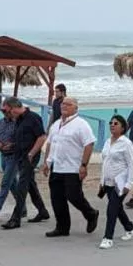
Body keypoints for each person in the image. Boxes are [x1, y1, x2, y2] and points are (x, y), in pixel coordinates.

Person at [42, 97, 99, 237]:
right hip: (57, 166)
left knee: (74, 196)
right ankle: (62, 227)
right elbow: (50, 143)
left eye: (69, 104)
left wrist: (84, 165)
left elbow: (89, 144)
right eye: (63, 103)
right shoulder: (56, 124)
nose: (64, 106)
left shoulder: (81, 124)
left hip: (72, 167)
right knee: (57, 198)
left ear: (75, 108)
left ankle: (91, 213)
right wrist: (46, 162)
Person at [1, 98, 51, 230]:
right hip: (20, 155)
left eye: (7, 111)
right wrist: (12, 145)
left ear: (14, 108)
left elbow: (41, 137)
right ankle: (42, 211)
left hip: (30, 157)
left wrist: (32, 153)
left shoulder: (33, 118)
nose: (7, 114)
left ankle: (15, 218)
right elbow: (21, 137)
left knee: (22, 186)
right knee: (30, 185)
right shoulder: (18, 120)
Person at [98, 114, 133, 249]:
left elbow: (132, 165)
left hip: (120, 182)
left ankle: (108, 237)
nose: (112, 125)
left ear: (122, 127)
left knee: (111, 209)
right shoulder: (107, 142)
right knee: (117, 208)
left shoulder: (126, 144)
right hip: (108, 181)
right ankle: (130, 227)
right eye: (111, 123)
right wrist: (102, 180)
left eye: (116, 123)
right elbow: (104, 162)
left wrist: (129, 184)